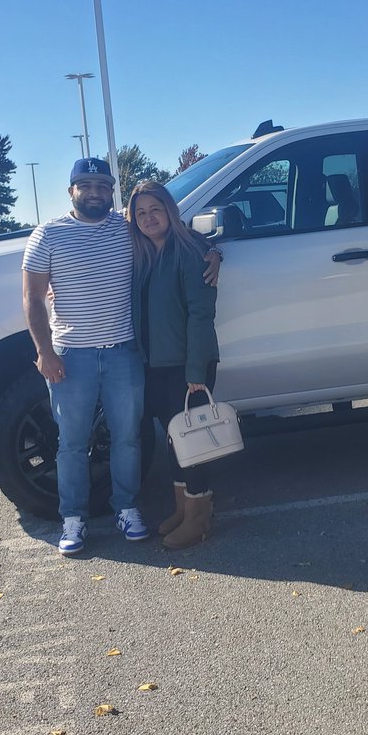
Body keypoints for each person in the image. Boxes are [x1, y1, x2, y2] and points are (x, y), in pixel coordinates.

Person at [21, 158, 151, 556]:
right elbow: (32, 298)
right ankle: (73, 518)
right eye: (86, 185)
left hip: (123, 353)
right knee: (71, 443)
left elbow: (171, 237)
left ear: (111, 190)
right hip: (71, 356)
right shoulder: (48, 235)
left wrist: (210, 254)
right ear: (71, 190)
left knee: (128, 438)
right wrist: (44, 352)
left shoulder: (128, 229)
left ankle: (127, 508)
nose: (94, 191)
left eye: (102, 185)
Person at [127, 180, 221, 550]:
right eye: (141, 212)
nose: (149, 217)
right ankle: (183, 509)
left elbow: (201, 315)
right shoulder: (142, 254)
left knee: (194, 443)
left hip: (188, 367)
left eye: (156, 209)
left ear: (170, 210)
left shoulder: (189, 249)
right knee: (174, 441)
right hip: (156, 364)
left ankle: (199, 519)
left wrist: (196, 372)